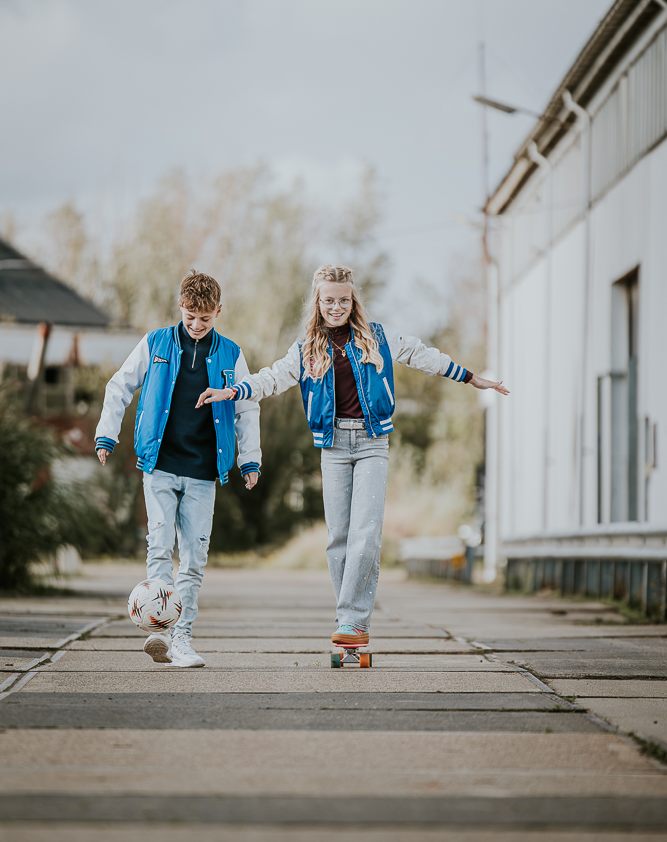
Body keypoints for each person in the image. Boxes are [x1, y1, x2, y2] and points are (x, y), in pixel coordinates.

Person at [196, 264, 507, 648]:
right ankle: (349, 619)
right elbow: (271, 379)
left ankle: (352, 621)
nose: (336, 307)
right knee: (339, 538)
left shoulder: (378, 338)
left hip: (372, 442)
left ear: (353, 299)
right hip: (333, 447)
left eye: (343, 300)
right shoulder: (306, 349)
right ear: (318, 301)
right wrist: (233, 391)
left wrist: (470, 377)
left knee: (366, 533)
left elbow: (421, 355)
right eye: (329, 300)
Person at [94, 270, 261, 667]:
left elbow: (246, 407)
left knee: (194, 557)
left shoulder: (231, 353)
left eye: (205, 318)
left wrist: (249, 459)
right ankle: (162, 631)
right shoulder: (155, 343)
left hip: (203, 469)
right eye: (190, 317)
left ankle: (182, 637)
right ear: (180, 308)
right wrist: (106, 434)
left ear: (218, 311)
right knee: (159, 545)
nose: (196, 325)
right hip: (161, 464)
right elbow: (119, 386)